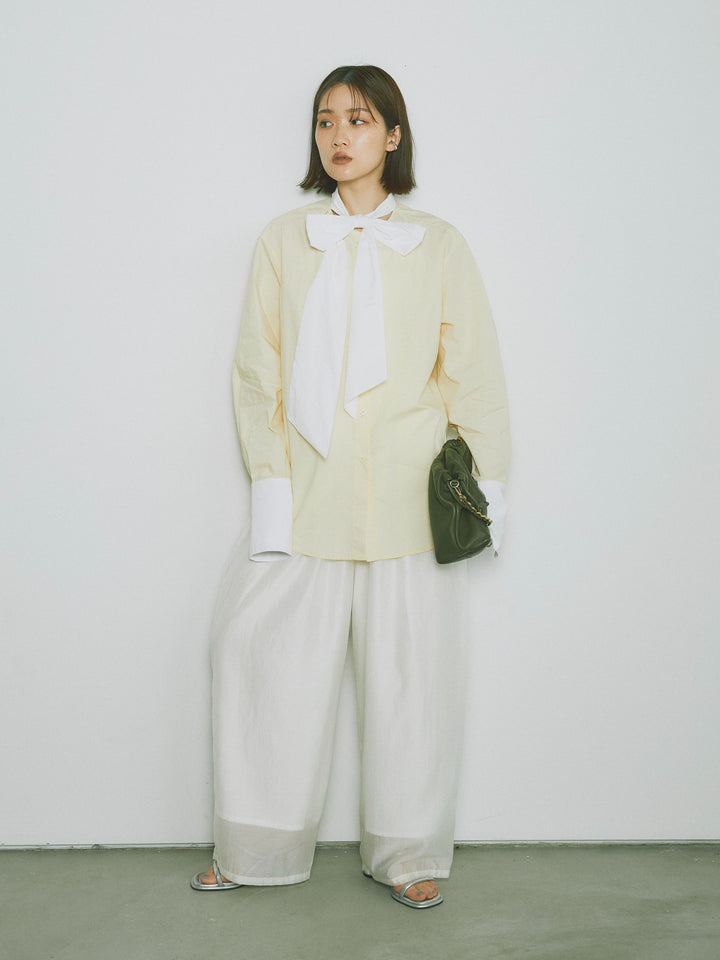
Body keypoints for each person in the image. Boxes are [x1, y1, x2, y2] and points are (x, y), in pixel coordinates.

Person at [191, 64, 510, 908]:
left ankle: (409, 853)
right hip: (307, 491)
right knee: (262, 659)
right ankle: (255, 847)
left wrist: (488, 490)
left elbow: (473, 373)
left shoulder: (438, 244)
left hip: (411, 494)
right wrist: (271, 484)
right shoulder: (284, 240)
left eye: (359, 120)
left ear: (392, 136)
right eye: (326, 120)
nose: (340, 136)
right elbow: (257, 372)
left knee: (412, 681)